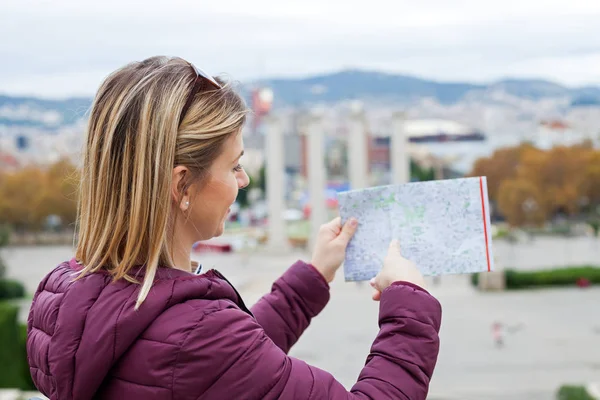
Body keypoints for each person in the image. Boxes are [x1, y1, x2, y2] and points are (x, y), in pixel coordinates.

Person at [26, 56, 442, 400]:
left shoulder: (71, 293)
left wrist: (312, 278)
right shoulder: (198, 337)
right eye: (235, 165)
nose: (242, 181)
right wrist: (411, 303)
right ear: (181, 185)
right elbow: (211, 354)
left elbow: (224, 372)